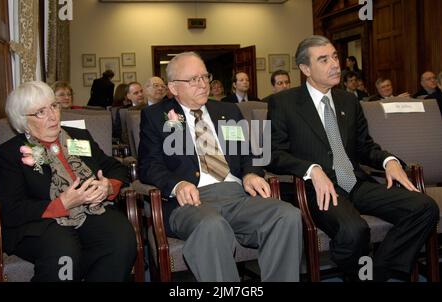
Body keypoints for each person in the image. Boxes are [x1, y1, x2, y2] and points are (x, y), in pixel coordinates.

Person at [267, 35, 439, 282]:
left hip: (355, 182)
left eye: (335, 57)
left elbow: (365, 147)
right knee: (354, 230)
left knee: (424, 207)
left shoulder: (348, 99)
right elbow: (273, 154)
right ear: (305, 69)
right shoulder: (282, 103)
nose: (335, 64)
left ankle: (374, 275)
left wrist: (388, 161)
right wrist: (311, 169)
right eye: (324, 60)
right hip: (318, 189)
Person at [138, 52, 302, 282]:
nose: (203, 84)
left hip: (236, 196)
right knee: (212, 226)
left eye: (205, 77)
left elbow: (250, 153)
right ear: (174, 87)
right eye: (194, 79)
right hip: (190, 202)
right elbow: (148, 165)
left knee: (288, 215)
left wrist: (251, 173)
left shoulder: (227, 111)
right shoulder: (156, 116)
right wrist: (177, 184)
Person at [0, 81, 137, 281]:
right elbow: (12, 210)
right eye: (41, 112)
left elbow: (115, 168)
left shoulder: (78, 138)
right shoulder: (9, 154)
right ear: (23, 120)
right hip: (40, 223)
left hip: (89, 211)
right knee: (64, 250)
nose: (53, 115)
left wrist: (107, 186)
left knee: (121, 237)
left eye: (53, 106)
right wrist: (61, 204)